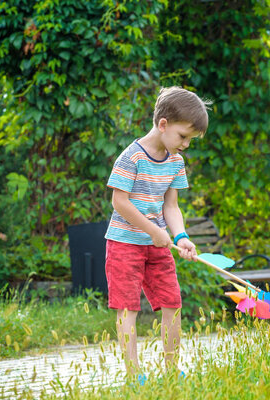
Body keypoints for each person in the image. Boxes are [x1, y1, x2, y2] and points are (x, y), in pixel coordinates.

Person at [104, 86, 211, 382]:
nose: (186, 144)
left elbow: (171, 206)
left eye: (190, 139)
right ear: (163, 125)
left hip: (158, 246)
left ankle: (171, 370)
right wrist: (152, 230)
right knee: (128, 309)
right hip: (124, 244)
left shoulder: (176, 162)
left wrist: (180, 237)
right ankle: (134, 374)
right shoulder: (132, 157)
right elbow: (119, 202)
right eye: (183, 136)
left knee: (172, 303)